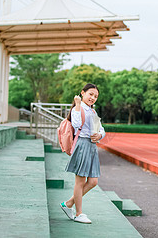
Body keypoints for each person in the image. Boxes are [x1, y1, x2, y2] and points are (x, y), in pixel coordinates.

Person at [60, 83, 105, 224]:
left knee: (93, 181)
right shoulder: (77, 109)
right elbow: (77, 124)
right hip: (82, 145)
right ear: (82, 93)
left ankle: (68, 204)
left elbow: (101, 129)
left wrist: (100, 135)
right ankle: (78, 213)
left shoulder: (93, 112)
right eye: (90, 94)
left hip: (92, 147)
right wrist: (77, 104)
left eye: (96, 96)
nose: (93, 98)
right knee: (80, 182)